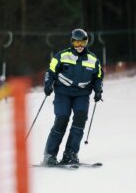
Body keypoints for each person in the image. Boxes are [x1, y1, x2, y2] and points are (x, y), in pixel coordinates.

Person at [42, 28, 104, 166]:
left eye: (83, 42)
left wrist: (98, 90)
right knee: (62, 118)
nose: (80, 46)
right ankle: (50, 154)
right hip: (63, 92)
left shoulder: (93, 60)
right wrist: (48, 84)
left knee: (80, 120)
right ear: (72, 42)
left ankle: (70, 153)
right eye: (76, 43)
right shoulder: (62, 56)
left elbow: (98, 76)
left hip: (82, 94)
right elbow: (51, 71)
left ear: (86, 42)